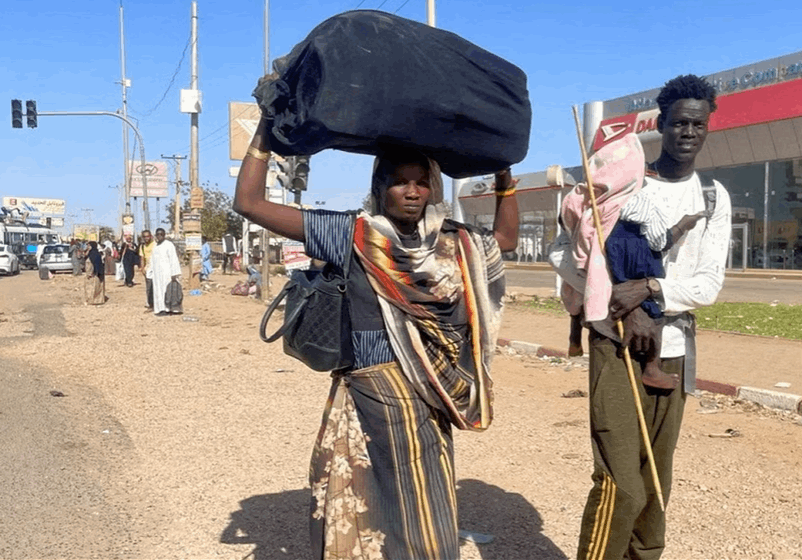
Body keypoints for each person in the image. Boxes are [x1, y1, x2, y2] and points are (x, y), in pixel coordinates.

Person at [233, 115, 518, 560]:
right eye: (400, 182)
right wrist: (266, 129)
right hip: (370, 395)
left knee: (427, 509)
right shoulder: (351, 233)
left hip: (431, 396)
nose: (411, 192)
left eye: (421, 182)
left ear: (434, 189)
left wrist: (504, 176)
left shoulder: (453, 242)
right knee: (367, 505)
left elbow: (504, 238)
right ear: (379, 185)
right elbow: (249, 204)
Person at [551, 74, 732, 560]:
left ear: (708, 125)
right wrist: (616, 302)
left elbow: (708, 285)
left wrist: (651, 288)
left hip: (672, 350)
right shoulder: (621, 181)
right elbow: (563, 252)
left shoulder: (712, 198)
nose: (688, 132)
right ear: (661, 125)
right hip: (614, 344)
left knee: (656, 479)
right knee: (620, 480)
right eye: (678, 123)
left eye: (697, 123)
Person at [559, 133, 707, 390]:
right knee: (655, 315)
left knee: (576, 304)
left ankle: (574, 339)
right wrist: (684, 224)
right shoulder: (640, 201)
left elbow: (573, 230)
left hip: (611, 268)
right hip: (639, 266)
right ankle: (652, 368)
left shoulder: (596, 205)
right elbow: (660, 240)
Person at [149, 228, 182, 316]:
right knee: (158, 291)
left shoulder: (169, 245)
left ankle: (169, 308)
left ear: (164, 235)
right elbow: (152, 260)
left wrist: (174, 273)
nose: (159, 236)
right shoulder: (155, 246)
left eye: (161, 234)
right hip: (157, 274)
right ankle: (161, 309)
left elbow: (173, 259)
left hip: (167, 273)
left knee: (168, 291)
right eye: (158, 234)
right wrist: (150, 272)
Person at [138, 230, 155, 311]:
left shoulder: (155, 244)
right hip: (148, 268)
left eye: (147, 236)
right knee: (149, 287)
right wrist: (142, 268)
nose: (146, 238)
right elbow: (142, 257)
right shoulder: (142, 246)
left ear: (150, 236)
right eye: (144, 236)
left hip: (155, 268)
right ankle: (150, 303)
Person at [85, 240, 106, 305]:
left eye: (89, 245)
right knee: (90, 288)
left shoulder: (96, 254)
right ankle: (90, 300)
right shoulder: (90, 253)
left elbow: (97, 264)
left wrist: (94, 272)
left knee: (96, 287)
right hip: (90, 273)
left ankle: (96, 301)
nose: (88, 247)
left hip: (95, 274)